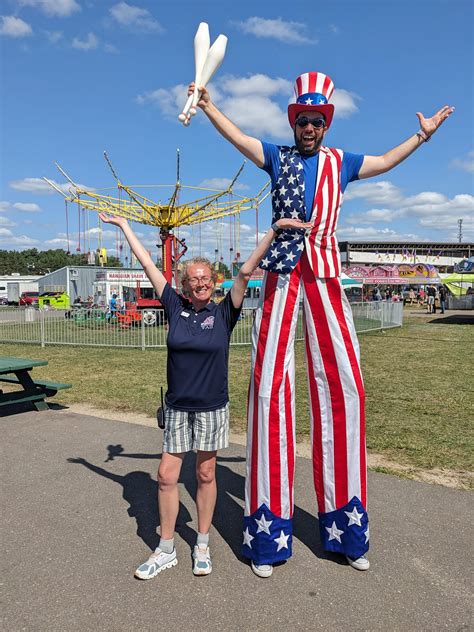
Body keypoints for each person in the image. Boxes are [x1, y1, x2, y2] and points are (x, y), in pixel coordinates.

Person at [189, 70, 454, 578]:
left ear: (326, 124)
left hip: (327, 276)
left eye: (317, 120)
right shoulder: (278, 157)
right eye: (303, 119)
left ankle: (347, 531)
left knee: (345, 390)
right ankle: (268, 536)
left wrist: (423, 136)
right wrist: (208, 106)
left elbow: (384, 162)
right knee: (269, 390)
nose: (309, 126)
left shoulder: (341, 162)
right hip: (283, 275)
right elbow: (241, 138)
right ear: (295, 122)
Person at [99, 212, 311, 579]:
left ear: (214, 282)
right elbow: (148, 262)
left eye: (205, 278)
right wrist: (124, 227)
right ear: (183, 285)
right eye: (192, 279)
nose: (199, 284)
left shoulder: (226, 311)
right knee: (166, 476)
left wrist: (275, 231)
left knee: (206, 473)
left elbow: (245, 272)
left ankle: (201, 542)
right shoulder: (174, 307)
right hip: (179, 408)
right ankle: (166, 548)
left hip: (212, 407)